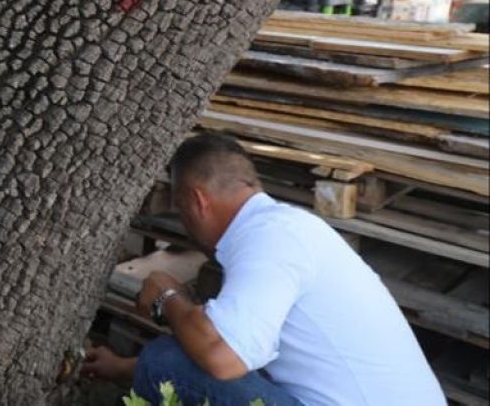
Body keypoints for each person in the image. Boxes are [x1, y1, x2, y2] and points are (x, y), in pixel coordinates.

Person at [83, 133, 444, 406]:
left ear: (197, 201)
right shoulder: (286, 229)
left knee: (166, 360)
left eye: (180, 208)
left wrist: (167, 294)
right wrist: (121, 368)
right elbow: (246, 354)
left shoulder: (271, 241)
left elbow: (222, 360)